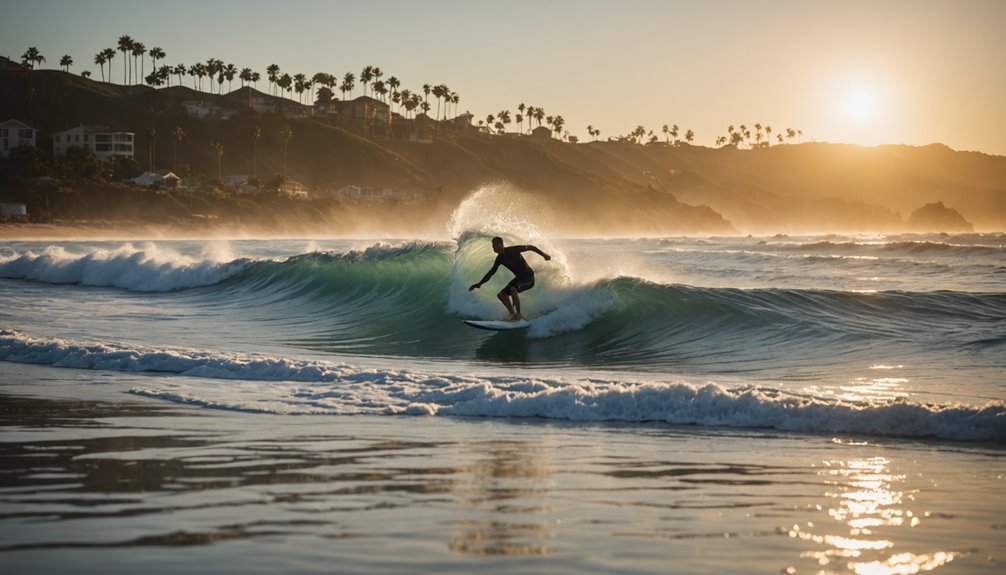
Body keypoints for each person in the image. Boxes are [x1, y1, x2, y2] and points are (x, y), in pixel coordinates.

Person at [469, 237, 551, 321]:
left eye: (494, 245)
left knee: (513, 289)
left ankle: (518, 314)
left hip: (529, 278)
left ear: (500, 245)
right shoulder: (499, 259)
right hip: (519, 279)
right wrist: (479, 284)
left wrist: (544, 255)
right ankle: (512, 315)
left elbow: (531, 247)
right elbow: (491, 273)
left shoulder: (513, 250)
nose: (493, 247)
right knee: (501, 295)